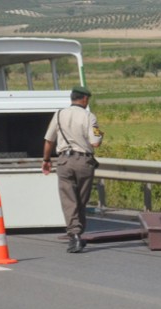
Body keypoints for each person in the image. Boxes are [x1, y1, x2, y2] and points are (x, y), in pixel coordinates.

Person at [42, 86, 104, 253]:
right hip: (84, 162)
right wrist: (101, 134)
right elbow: (95, 142)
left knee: (69, 200)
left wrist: (46, 160)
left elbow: (49, 140)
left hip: (64, 161)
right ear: (84, 99)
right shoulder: (89, 116)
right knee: (81, 200)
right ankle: (78, 233)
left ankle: (74, 235)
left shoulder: (59, 114)